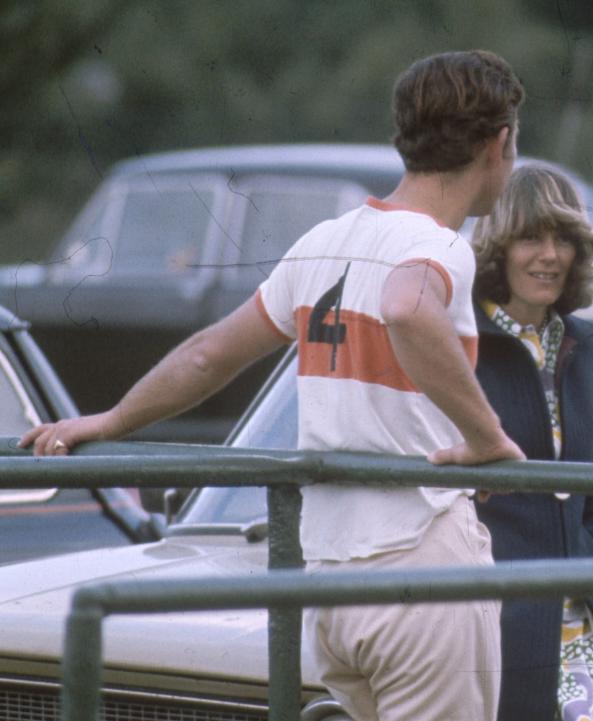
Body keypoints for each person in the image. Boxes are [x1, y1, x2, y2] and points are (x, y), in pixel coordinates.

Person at [20, 49, 526, 721]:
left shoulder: (324, 240)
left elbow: (207, 355)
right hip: (422, 559)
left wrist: (111, 419)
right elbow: (406, 304)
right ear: (499, 145)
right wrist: (488, 436)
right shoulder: (441, 245)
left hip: (327, 582)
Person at [471, 164, 593, 721]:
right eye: (530, 237)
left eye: (564, 239)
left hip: (591, 617)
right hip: (496, 624)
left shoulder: (583, 343)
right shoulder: (461, 341)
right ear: (498, 247)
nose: (549, 255)